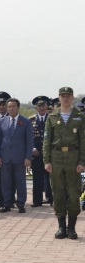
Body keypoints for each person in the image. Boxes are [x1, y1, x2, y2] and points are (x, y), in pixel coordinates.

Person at [43, 87, 85, 240]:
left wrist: (82, 162)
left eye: (68, 96)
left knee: (74, 194)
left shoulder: (79, 117)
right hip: (56, 157)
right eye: (63, 96)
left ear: (72, 98)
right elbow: (47, 140)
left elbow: (83, 141)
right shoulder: (52, 117)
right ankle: (61, 226)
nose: (65, 99)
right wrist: (47, 160)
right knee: (58, 192)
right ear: (59, 98)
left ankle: (72, 227)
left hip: (73, 158)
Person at [0, 98, 33, 214]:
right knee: (5, 182)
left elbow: (29, 141)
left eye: (13, 106)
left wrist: (28, 157)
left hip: (20, 158)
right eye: (9, 106)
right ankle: (6, 204)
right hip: (5, 157)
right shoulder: (2, 121)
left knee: (20, 182)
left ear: (18, 107)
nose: (11, 108)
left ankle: (21, 204)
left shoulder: (25, 121)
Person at [29, 96, 51, 207]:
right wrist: (32, 148)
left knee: (51, 178)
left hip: (49, 154)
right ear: (36, 107)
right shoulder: (30, 120)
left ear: (47, 107)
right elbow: (28, 137)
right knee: (37, 178)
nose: (41, 108)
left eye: (43, 105)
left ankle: (52, 200)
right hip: (36, 154)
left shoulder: (52, 118)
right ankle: (37, 201)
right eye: (39, 106)